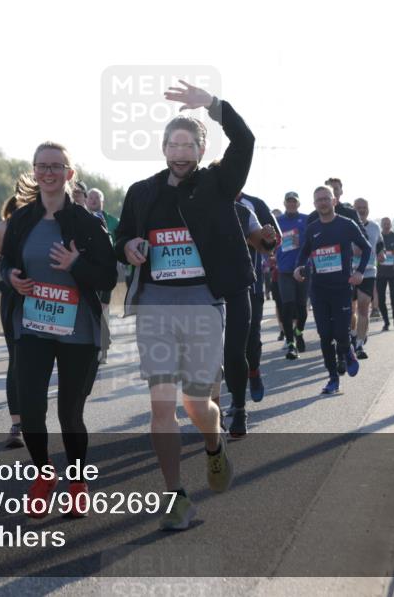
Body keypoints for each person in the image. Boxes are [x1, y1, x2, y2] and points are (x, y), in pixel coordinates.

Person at [115, 81, 253, 530]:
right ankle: (175, 495)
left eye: (188, 144)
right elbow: (123, 240)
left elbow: (245, 140)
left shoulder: (218, 183)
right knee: (161, 405)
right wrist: (131, 245)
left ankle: (213, 446)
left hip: (204, 303)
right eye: (172, 143)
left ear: (201, 148)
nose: (179, 151)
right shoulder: (141, 192)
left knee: (196, 404)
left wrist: (212, 104)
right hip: (155, 306)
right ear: (162, 147)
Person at [0, 142, 117, 519]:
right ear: (34, 172)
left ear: (69, 173)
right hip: (31, 327)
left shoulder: (87, 222)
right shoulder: (21, 221)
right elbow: (4, 266)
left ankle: (78, 484)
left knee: (70, 414)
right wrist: (11, 278)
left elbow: (109, 276)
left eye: (56, 166)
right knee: (31, 410)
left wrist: (76, 263)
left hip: (77, 331)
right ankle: (44, 474)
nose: (48, 173)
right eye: (41, 166)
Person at [294, 186, 370, 394]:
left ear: (334, 201)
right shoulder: (312, 228)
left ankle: (347, 351)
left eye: (326, 199)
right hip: (318, 289)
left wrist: (360, 272)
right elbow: (303, 253)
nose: (323, 203)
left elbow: (367, 248)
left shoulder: (346, 225)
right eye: (318, 200)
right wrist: (299, 268)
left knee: (341, 334)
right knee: (325, 335)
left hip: (341, 288)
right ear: (314, 203)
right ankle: (333, 379)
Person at [0, 180, 32, 449]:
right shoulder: (5, 226)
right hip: (14, 301)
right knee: (17, 359)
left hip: (48, 301)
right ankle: (17, 425)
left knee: (39, 362)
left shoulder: (52, 223)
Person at [237, 191, 279, 404]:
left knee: (251, 338)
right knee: (224, 343)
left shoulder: (252, 206)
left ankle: (253, 372)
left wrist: (267, 238)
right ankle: (236, 401)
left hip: (250, 285)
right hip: (215, 288)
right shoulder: (207, 200)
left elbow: (272, 242)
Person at [86, 187, 119, 363]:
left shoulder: (112, 222)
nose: (92, 200)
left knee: (103, 309)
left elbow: (122, 239)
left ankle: (103, 346)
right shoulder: (78, 218)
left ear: (102, 201)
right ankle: (92, 345)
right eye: (89, 197)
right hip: (85, 272)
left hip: (106, 272)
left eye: (96, 197)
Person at [275, 191, 309, 360]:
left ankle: (299, 332)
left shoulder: (307, 219)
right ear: (284, 203)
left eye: (294, 201)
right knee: (287, 308)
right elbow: (269, 242)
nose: (291, 204)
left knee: (302, 310)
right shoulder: (277, 221)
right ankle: (291, 344)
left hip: (302, 270)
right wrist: (270, 255)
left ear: (298, 203)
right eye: (288, 201)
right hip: (285, 272)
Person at [351, 198, 384, 359]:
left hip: (368, 272)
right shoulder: (347, 225)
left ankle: (359, 344)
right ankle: (353, 333)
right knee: (351, 310)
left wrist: (381, 253)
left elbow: (380, 243)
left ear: (368, 209)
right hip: (349, 273)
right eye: (358, 207)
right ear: (353, 209)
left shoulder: (375, 227)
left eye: (364, 207)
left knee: (363, 307)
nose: (362, 210)